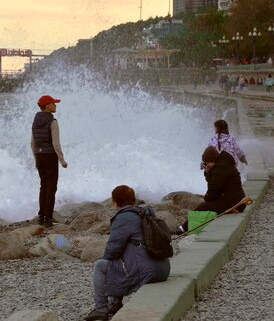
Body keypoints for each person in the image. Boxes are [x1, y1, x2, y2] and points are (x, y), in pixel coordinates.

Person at [84, 185, 170, 321]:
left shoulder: (124, 217)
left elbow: (113, 249)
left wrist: (105, 258)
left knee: (101, 265)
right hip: (162, 268)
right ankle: (115, 304)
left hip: (147, 270)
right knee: (119, 263)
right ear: (132, 200)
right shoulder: (143, 213)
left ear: (116, 202)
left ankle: (101, 309)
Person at [175, 146, 247, 234]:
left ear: (211, 161)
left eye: (206, 163)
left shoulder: (220, 170)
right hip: (236, 200)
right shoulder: (224, 165)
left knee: (202, 207)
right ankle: (184, 227)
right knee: (207, 205)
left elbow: (211, 192)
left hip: (235, 203)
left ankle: (182, 229)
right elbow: (215, 188)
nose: (205, 165)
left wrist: (208, 173)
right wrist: (209, 172)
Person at [31, 95, 68, 227]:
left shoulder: (35, 120)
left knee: (43, 186)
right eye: (53, 103)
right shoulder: (53, 122)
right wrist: (62, 160)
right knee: (51, 187)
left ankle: (41, 216)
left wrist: (36, 159)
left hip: (39, 156)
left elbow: (32, 142)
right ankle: (48, 219)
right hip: (50, 157)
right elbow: (56, 144)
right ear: (47, 106)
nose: (55, 105)